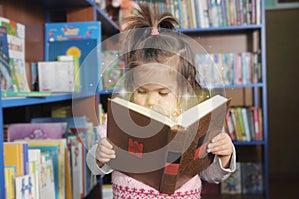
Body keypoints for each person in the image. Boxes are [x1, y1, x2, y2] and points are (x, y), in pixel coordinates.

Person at [87, 2, 236, 198]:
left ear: (184, 87)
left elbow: (211, 175)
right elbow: (95, 168)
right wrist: (99, 156)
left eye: (163, 93)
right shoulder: (120, 120)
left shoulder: (195, 123)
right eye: (142, 91)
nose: (151, 101)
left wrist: (225, 156)